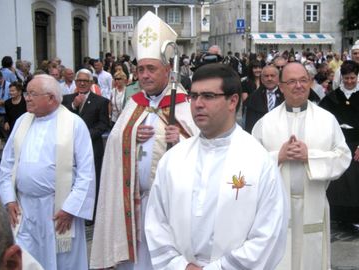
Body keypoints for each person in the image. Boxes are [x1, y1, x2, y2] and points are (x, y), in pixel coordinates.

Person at [145, 63, 288, 269]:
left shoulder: (258, 161)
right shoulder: (174, 159)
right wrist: (181, 266)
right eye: (193, 96)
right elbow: (156, 222)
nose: (198, 104)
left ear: (233, 101)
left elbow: (269, 234)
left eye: (208, 96)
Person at [90, 11, 198, 270]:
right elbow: (115, 144)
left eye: (152, 69)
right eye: (140, 69)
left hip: (169, 205)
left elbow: (205, 148)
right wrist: (129, 137)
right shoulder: (133, 105)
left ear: (167, 71)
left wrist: (183, 139)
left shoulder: (184, 105)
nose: (145, 75)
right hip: (135, 203)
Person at [252, 62, 351, 270]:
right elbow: (251, 162)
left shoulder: (327, 119)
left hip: (314, 201)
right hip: (277, 205)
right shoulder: (266, 122)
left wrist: (310, 157)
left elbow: (343, 157)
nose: (298, 86)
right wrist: (278, 156)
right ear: (281, 86)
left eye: (303, 80)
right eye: (292, 81)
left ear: (310, 83)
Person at [0, 74, 95, 270]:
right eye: (27, 93)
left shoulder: (74, 124)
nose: (27, 98)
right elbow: (7, 164)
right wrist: (8, 199)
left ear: (51, 98)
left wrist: (70, 209)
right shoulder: (22, 121)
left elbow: (86, 173)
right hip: (24, 210)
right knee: (28, 260)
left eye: (32, 94)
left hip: (58, 210)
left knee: (62, 263)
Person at [320, 60, 359, 232]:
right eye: (346, 78)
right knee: (339, 182)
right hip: (339, 144)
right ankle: (339, 216)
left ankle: (357, 218)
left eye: (353, 78)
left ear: (357, 77)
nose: (350, 82)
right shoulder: (334, 96)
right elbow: (325, 122)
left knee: (357, 182)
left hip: (357, 144)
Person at [62, 69, 110, 223]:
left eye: (85, 81)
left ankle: (91, 214)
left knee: (92, 179)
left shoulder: (100, 101)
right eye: (79, 80)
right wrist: (74, 107)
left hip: (92, 147)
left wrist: (85, 136)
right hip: (69, 149)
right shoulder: (66, 100)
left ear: (91, 83)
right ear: (75, 83)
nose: (82, 83)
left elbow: (103, 124)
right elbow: (62, 119)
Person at [243, 65, 283, 133]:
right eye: (266, 76)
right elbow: (249, 125)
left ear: (278, 78)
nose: (269, 78)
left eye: (272, 75)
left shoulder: (286, 95)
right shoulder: (253, 98)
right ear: (262, 79)